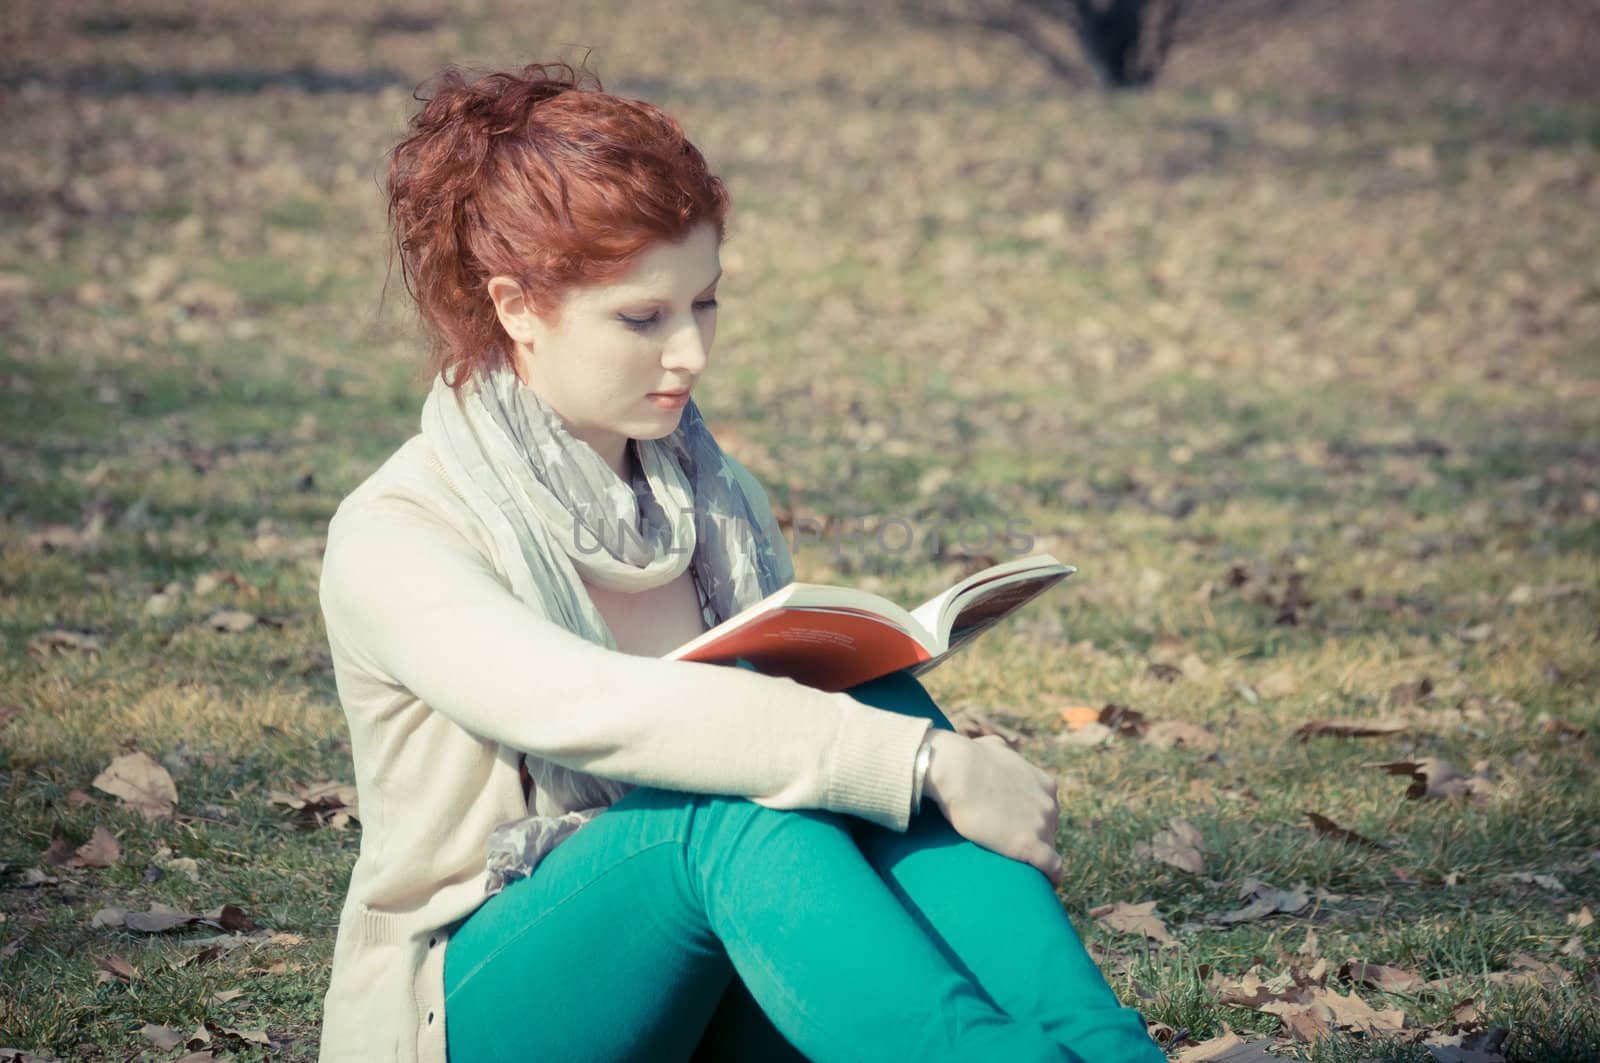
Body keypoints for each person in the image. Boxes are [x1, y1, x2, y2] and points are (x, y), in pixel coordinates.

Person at [314, 59, 1163, 1063]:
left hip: (715, 971)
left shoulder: (712, 497)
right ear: (516, 306)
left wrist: (900, 739)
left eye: (703, 304)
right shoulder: (402, 531)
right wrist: (926, 765)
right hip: (481, 1007)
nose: (691, 356)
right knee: (735, 807)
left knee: (872, 701)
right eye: (642, 318)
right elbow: (592, 710)